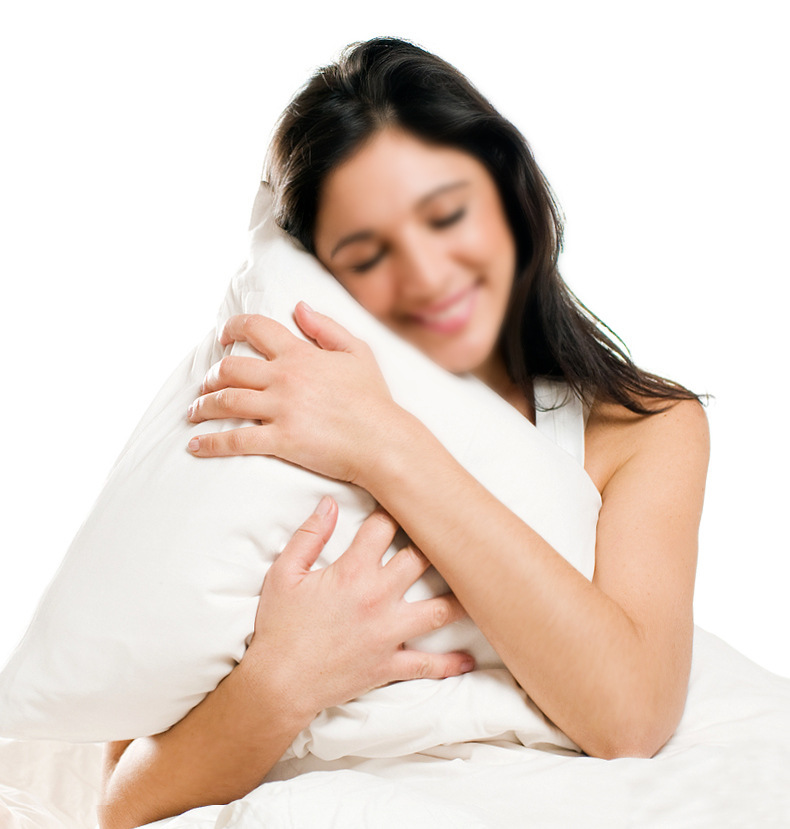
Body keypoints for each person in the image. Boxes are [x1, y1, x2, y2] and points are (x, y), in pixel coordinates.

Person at [98, 37, 709, 829]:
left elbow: (631, 714)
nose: (427, 275)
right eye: (366, 253)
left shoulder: (643, 429)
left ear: (511, 196)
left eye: (448, 214)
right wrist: (288, 676)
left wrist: (385, 444)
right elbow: (123, 799)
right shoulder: (273, 408)